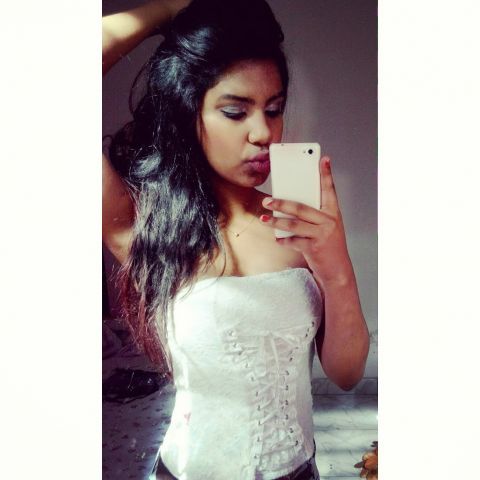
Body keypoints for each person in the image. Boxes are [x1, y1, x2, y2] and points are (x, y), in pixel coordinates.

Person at [102, 0, 370, 478]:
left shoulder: (300, 223)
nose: (263, 132)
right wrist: (171, 8)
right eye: (234, 111)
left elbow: (346, 374)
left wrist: (337, 269)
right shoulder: (142, 224)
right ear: (189, 113)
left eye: (274, 109)